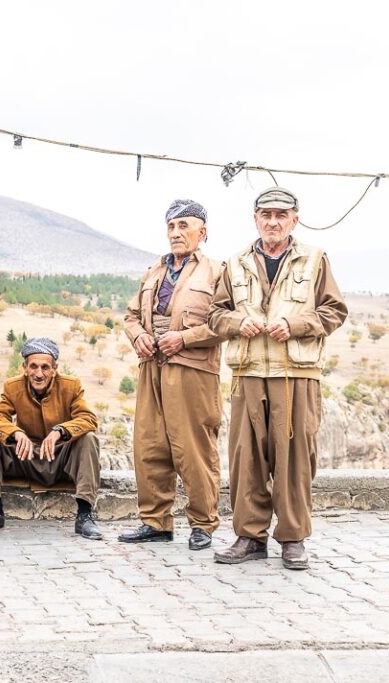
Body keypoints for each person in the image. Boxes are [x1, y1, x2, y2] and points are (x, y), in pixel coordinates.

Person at [209, 187, 347, 570]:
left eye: (281, 215)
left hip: (296, 374)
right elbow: (215, 316)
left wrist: (295, 324)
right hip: (247, 374)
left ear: (294, 220)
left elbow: (334, 311)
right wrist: (239, 321)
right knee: (245, 459)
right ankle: (250, 537)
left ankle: (292, 538)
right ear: (255, 219)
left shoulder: (315, 259)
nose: (273, 221)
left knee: (295, 458)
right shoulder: (234, 262)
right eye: (265, 214)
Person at [118, 199, 225, 550]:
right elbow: (131, 316)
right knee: (150, 445)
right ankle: (155, 522)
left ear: (202, 231)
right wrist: (140, 337)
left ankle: (203, 523)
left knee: (193, 447)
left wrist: (184, 338)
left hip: (193, 370)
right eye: (172, 227)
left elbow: (225, 324)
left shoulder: (217, 271)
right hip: (152, 366)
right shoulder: (153, 271)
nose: (177, 233)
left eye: (185, 226)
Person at [0, 338, 102, 539]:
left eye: (45, 367)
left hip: (60, 458)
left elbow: (88, 419)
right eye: (33, 366)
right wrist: (16, 433)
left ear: (54, 369)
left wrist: (59, 431)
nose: (39, 373)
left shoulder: (71, 386)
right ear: (24, 368)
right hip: (25, 457)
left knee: (88, 439)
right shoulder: (12, 386)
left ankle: (85, 515)